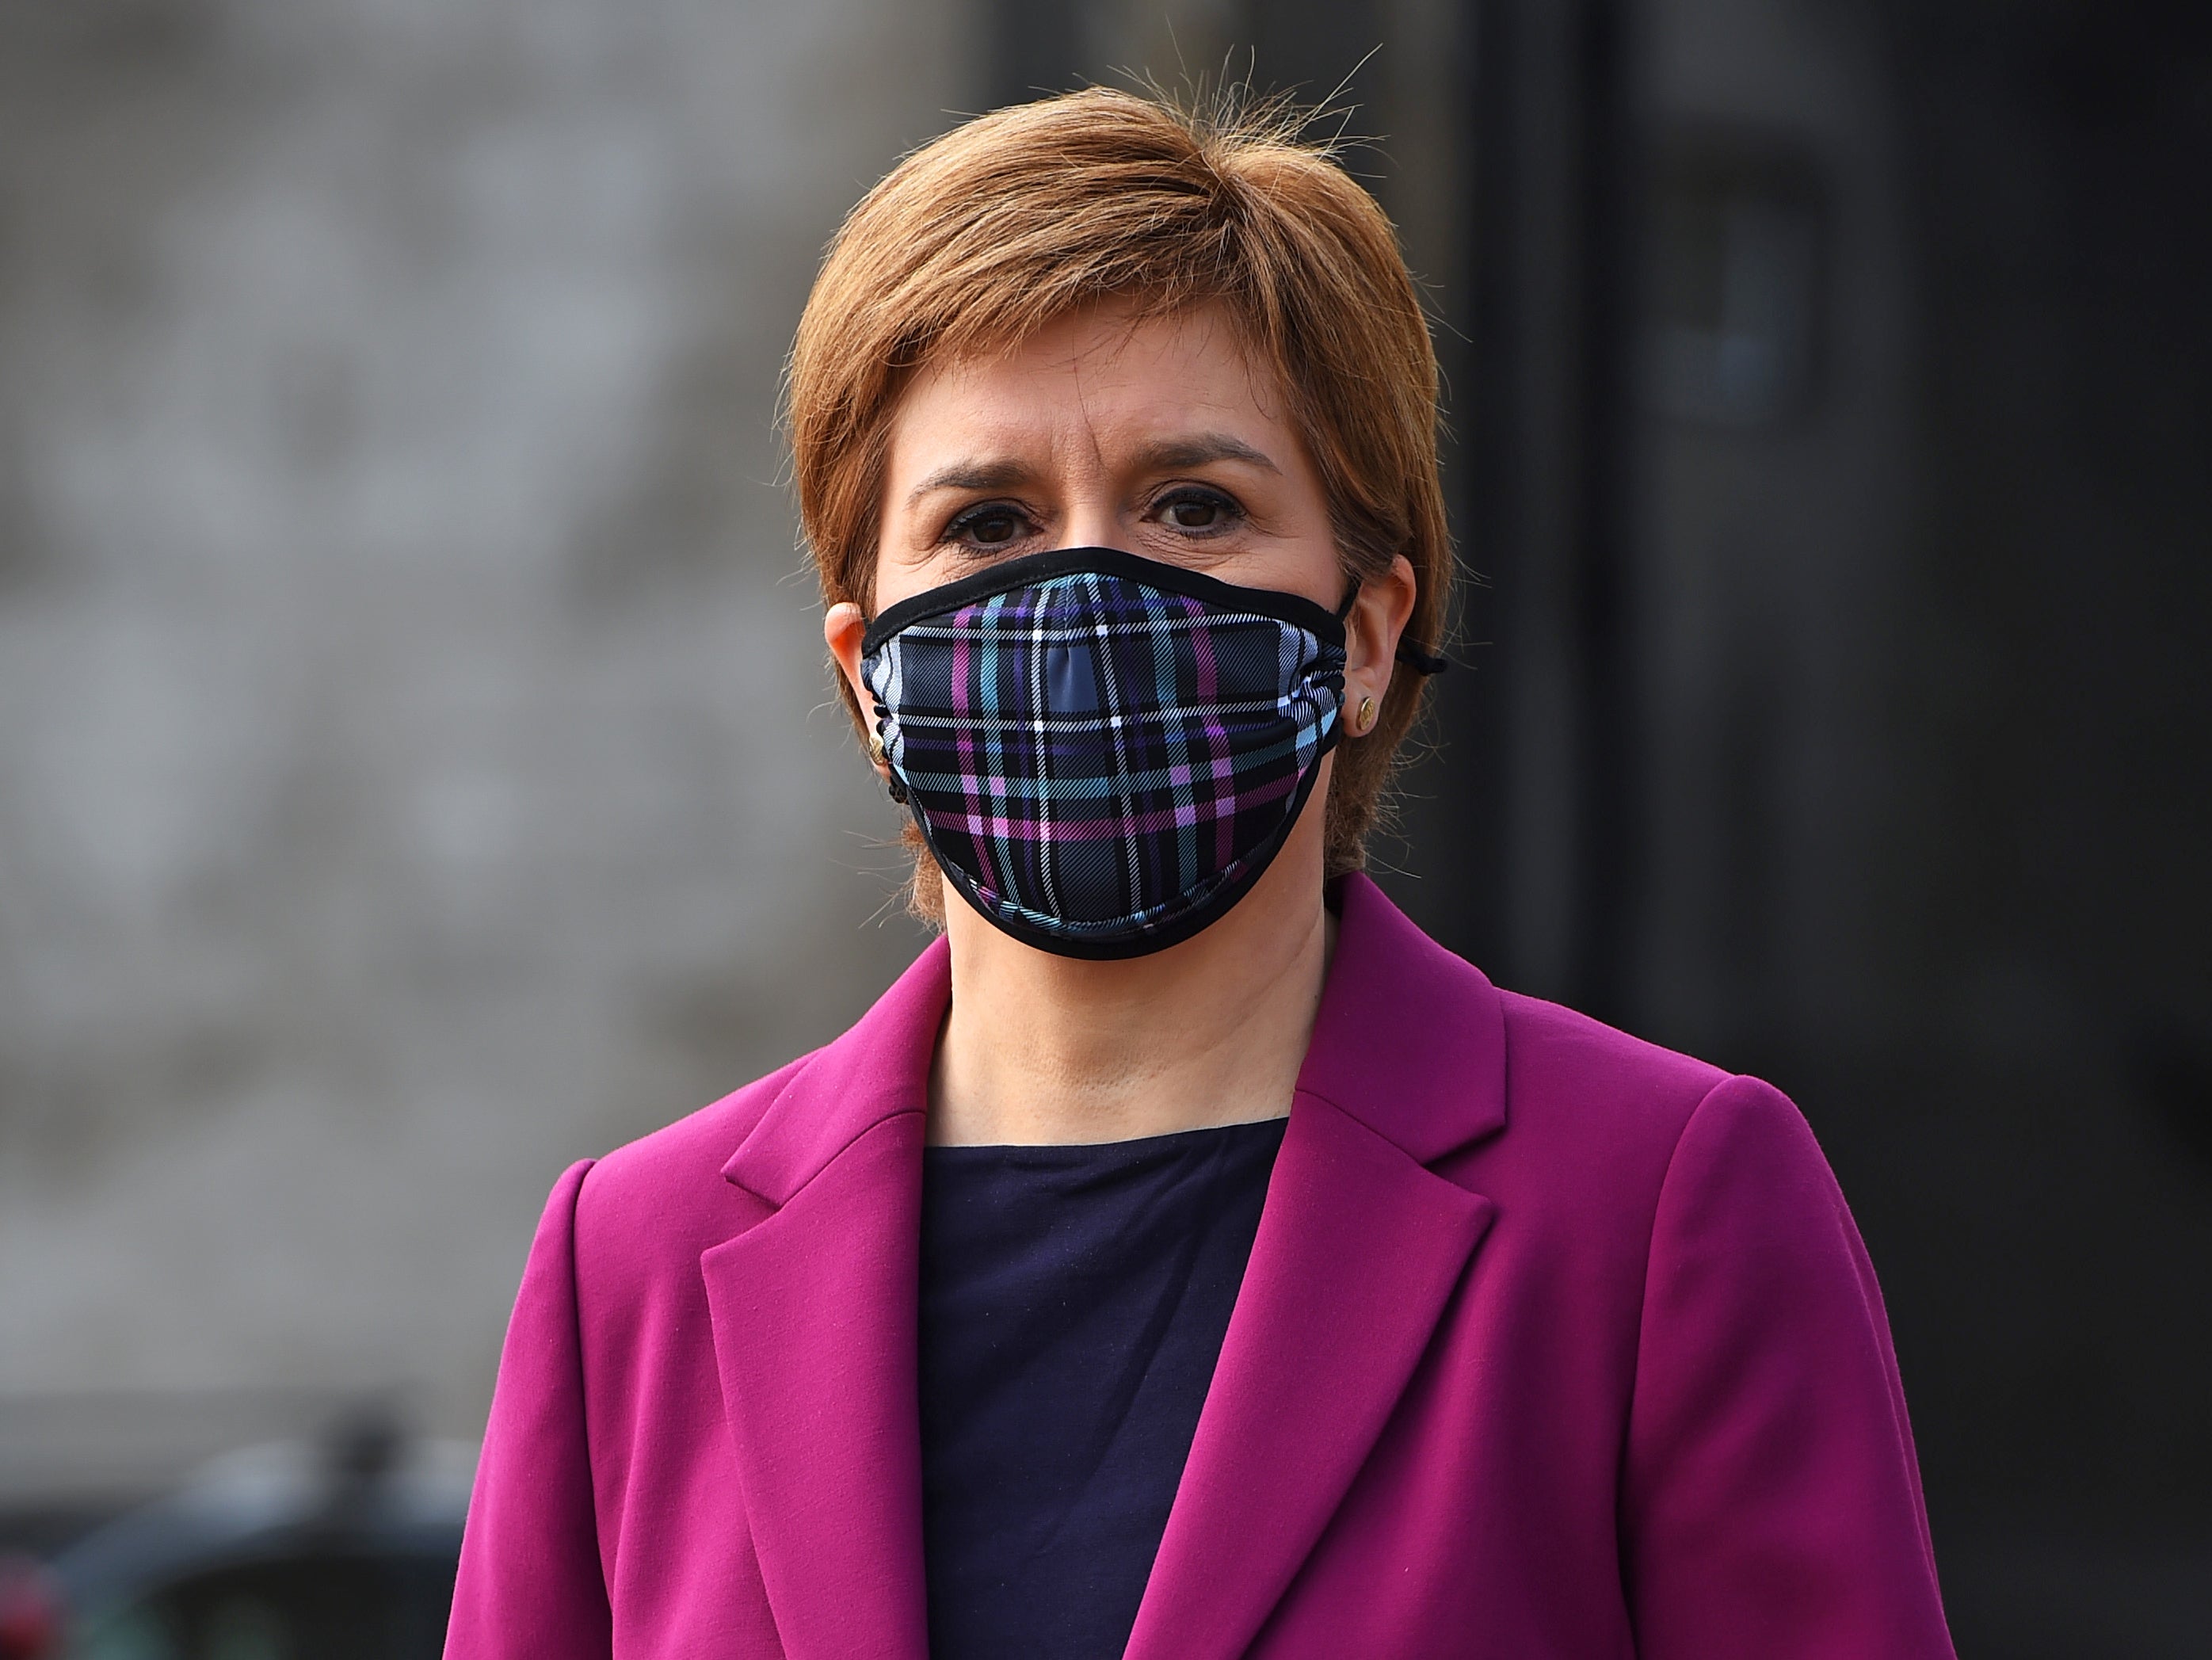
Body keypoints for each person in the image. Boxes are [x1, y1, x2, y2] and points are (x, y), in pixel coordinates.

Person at [444, 88, 1955, 1659]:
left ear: (1366, 632)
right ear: (862, 673)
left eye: (1194, 506)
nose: (1089, 592)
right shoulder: (629, 1262)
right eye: (987, 522)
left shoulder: (1651, 1211)